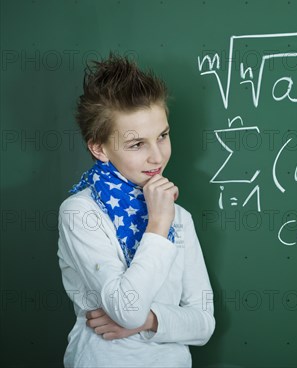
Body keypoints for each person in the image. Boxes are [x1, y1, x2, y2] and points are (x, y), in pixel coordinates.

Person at [57, 53, 215, 367]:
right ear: (99, 148)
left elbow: (204, 324)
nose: (157, 157)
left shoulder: (178, 216)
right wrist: (157, 223)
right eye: (136, 144)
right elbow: (126, 309)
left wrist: (151, 320)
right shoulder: (80, 212)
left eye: (163, 136)